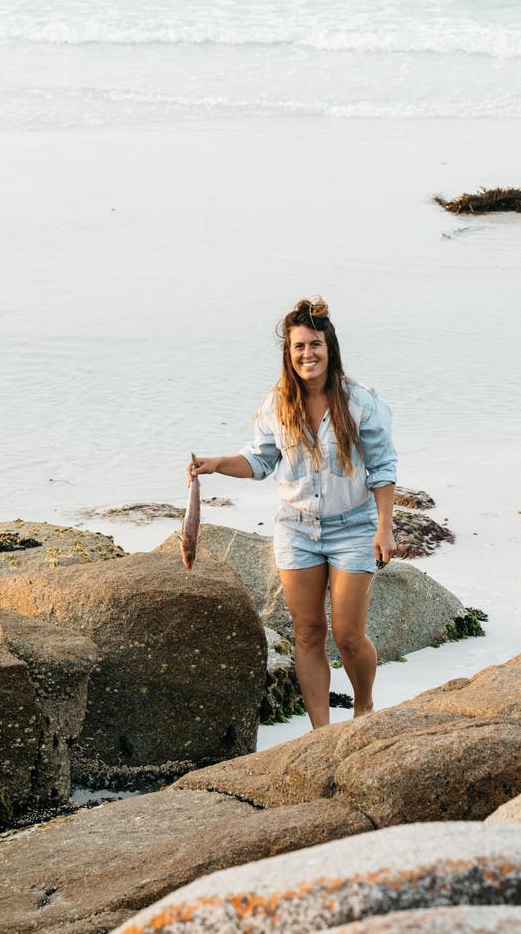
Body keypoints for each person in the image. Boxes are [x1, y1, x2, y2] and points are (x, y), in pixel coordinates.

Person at [187, 296, 397, 728]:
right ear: (289, 353)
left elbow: (383, 468)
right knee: (308, 634)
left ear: (330, 348)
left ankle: (364, 709)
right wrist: (215, 465)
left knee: (348, 635)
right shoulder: (278, 405)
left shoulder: (360, 403)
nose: (308, 354)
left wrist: (385, 528)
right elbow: (259, 461)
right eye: (299, 347)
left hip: (354, 528)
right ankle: (320, 732)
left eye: (315, 345)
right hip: (297, 531)